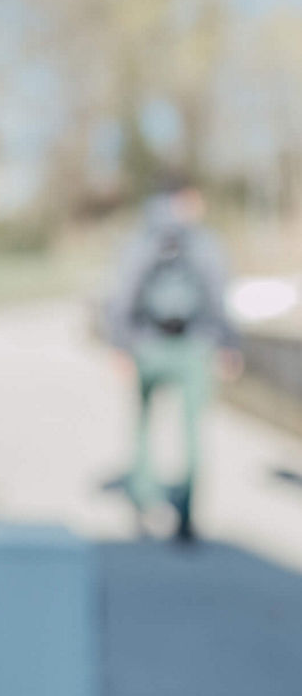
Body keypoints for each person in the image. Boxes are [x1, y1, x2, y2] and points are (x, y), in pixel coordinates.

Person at [107, 174, 240, 541]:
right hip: (193, 347)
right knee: (193, 430)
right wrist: (230, 344)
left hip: (146, 345)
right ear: (186, 199)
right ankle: (185, 512)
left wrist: (120, 345)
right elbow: (217, 294)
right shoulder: (203, 241)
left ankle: (144, 505)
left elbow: (122, 293)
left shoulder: (140, 238)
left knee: (144, 428)